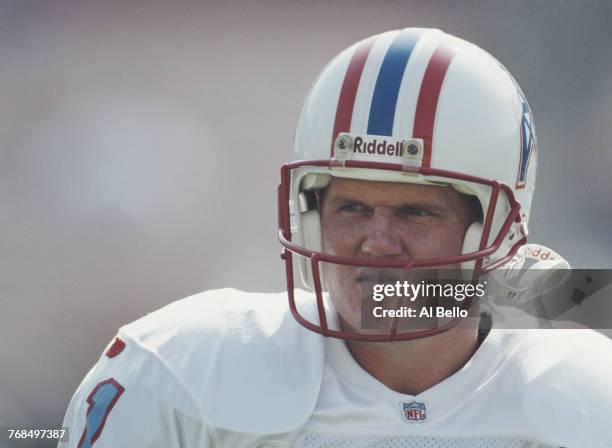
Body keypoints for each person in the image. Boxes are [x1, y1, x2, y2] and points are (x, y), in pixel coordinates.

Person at [59, 28, 612, 448]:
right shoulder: (177, 368)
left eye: (416, 211)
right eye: (351, 206)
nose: (376, 242)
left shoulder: (587, 396)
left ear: (496, 229)